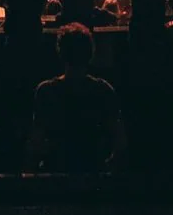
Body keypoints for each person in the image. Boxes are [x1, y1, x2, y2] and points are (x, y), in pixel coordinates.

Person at [30, 22, 120, 170]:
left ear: (61, 52)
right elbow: (119, 140)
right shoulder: (103, 90)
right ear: (90, 53)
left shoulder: (46, 91)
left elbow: (36, 141)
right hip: (92, 170)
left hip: (56, 171)